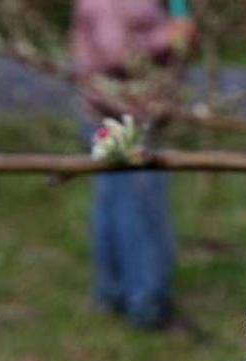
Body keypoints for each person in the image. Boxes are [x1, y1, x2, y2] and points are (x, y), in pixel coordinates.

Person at [70, 0, 196, 329]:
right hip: (123, 117)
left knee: (115, 206)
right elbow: (116, 53)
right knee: (139, 211)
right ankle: (147, 307)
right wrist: (171, 36)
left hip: (125, 111)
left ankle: (112, 294)